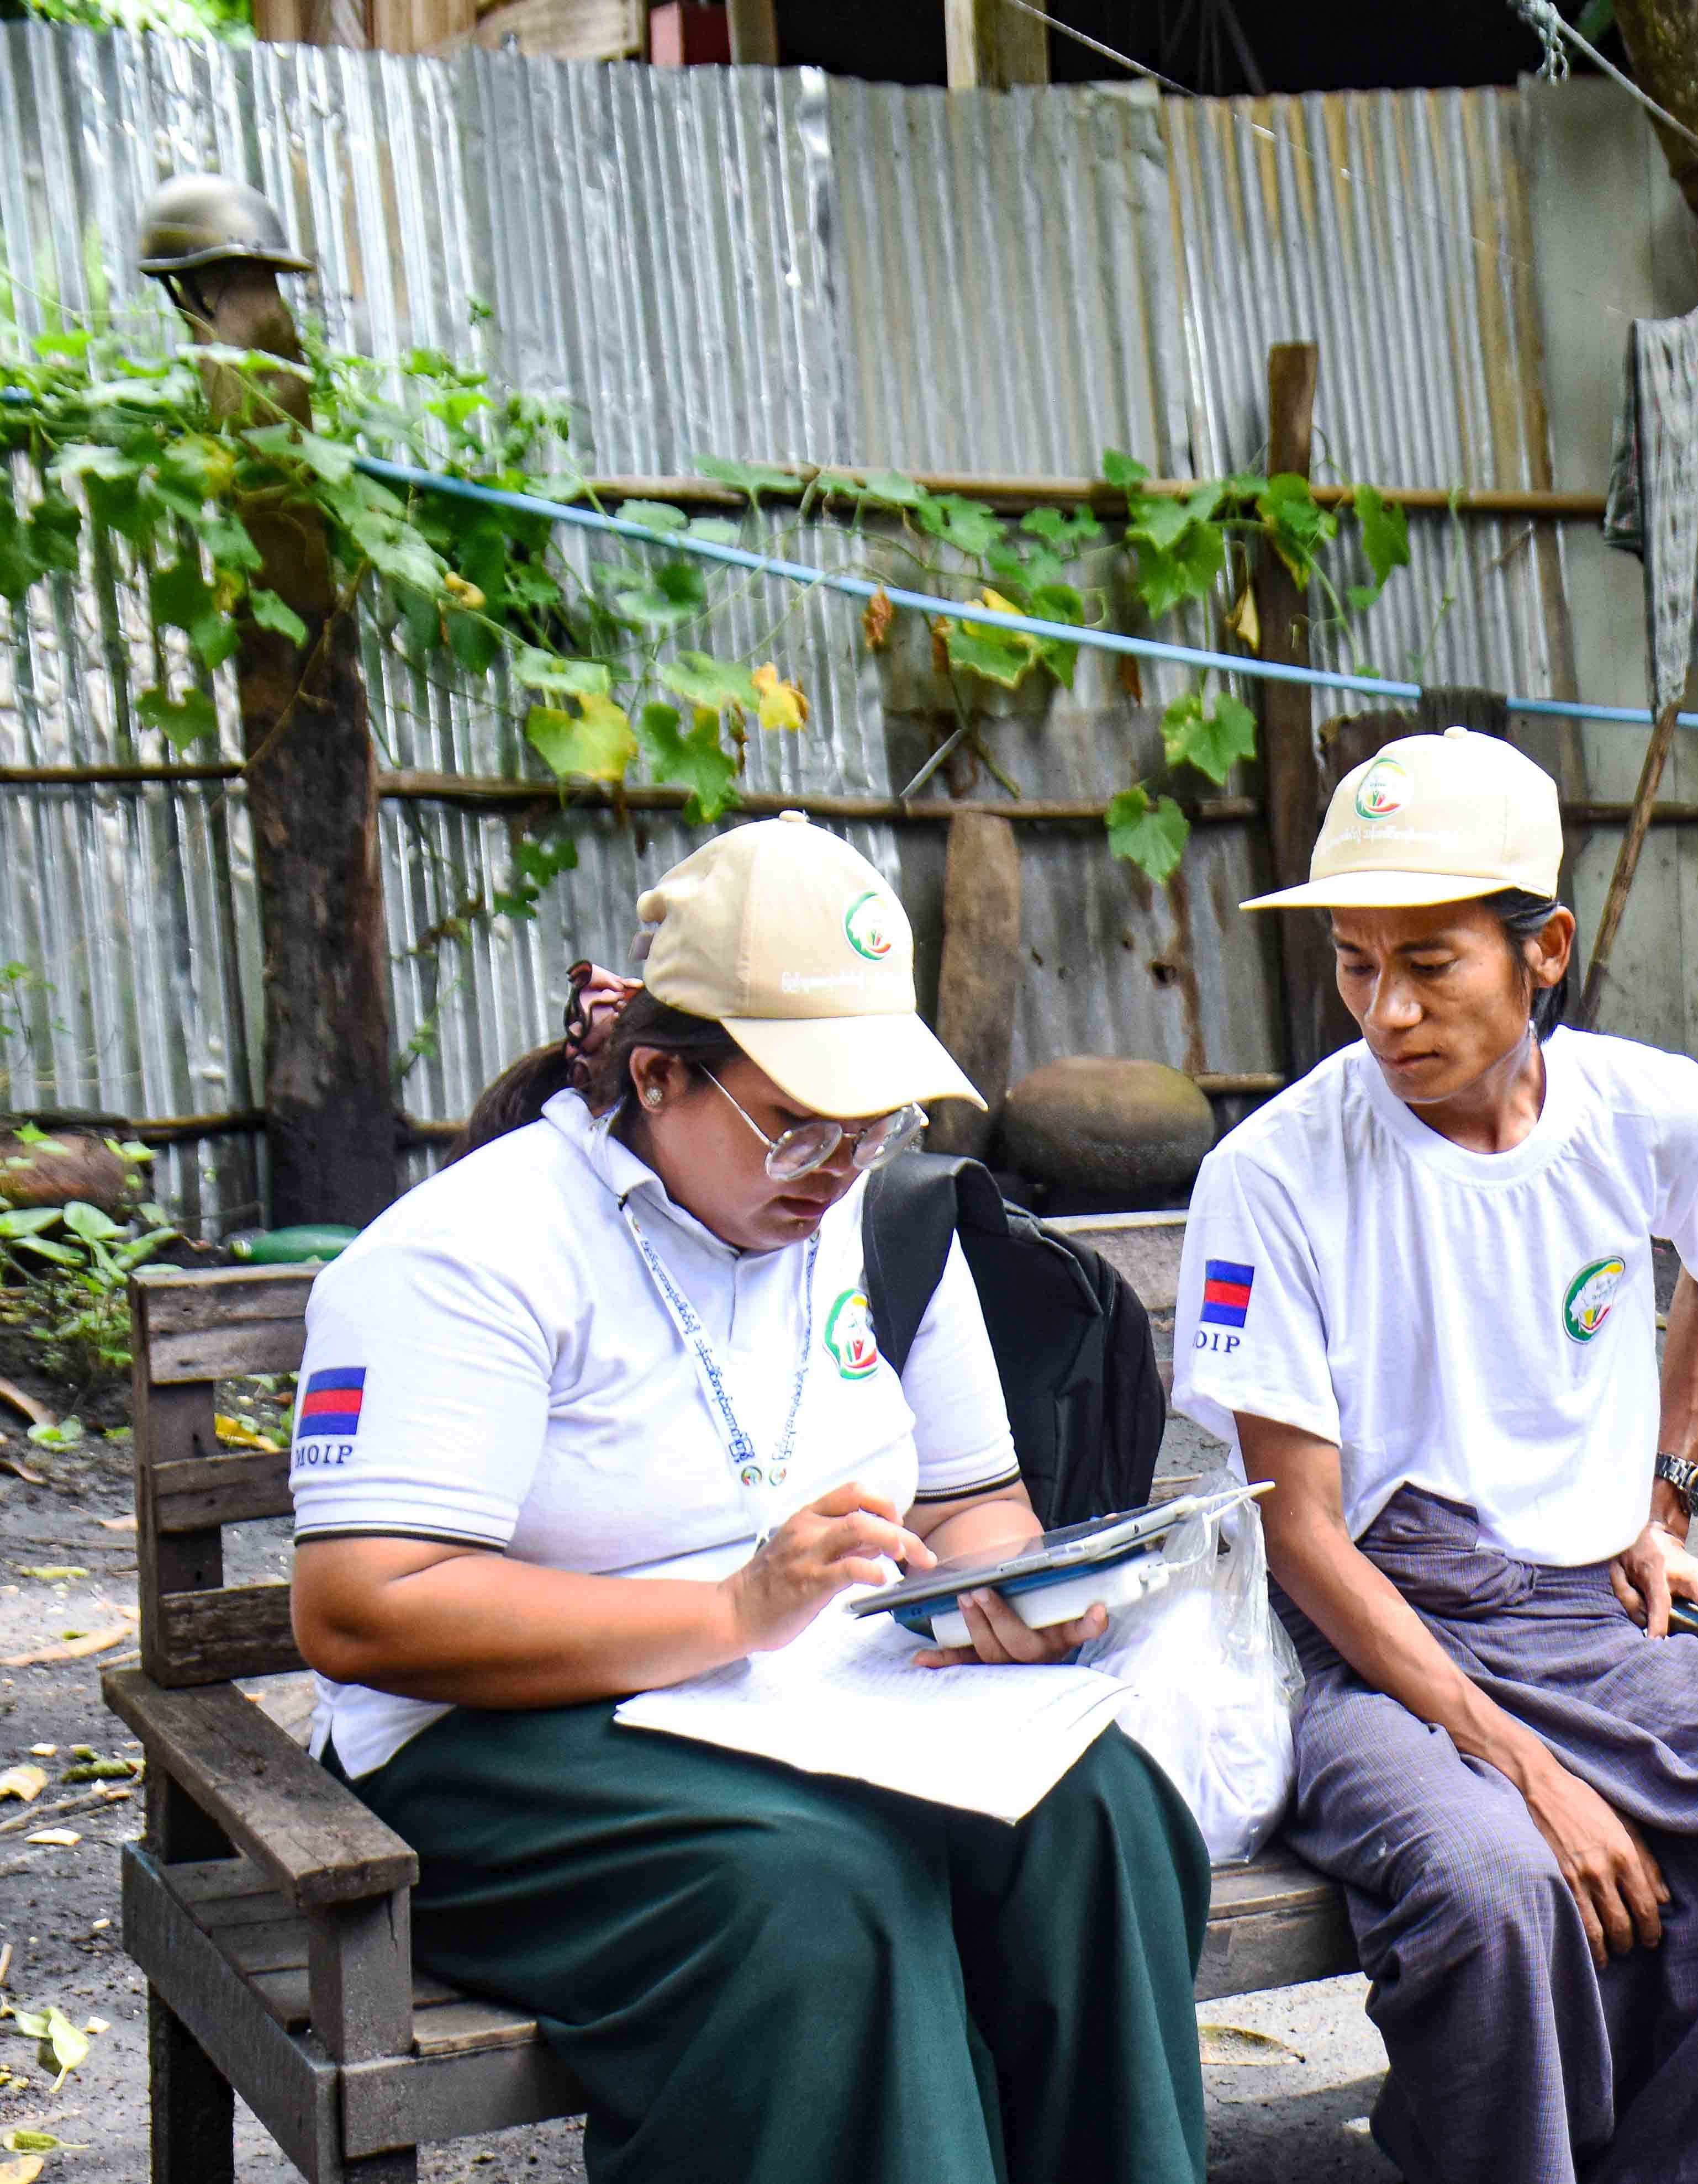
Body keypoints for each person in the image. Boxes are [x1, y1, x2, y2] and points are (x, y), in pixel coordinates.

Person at [287, 812, 1210, 2184]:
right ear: (660, 1074)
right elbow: (365, 1611)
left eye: (872, 1123)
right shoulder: (466, 1255)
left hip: (813, 1701)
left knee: (1098, 1807)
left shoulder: (874, 1225)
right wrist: (732, 1608)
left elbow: (977, 1505)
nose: (839, 1165)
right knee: (819, 1899)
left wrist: (1012, 1595)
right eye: (794, 1126)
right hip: (506, 1742)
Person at [1172, 727, 1698, 2184]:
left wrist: (1663, 1498)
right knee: (1496, 1879)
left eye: (1429, 962)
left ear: (1544, 950)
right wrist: (1517, 1761)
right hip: (1356, 1639)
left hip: (1582, 1606)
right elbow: (1306, 1538)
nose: (1384, 1011)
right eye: (1352, 962)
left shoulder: (1652, 1112)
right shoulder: (1267, 1177)